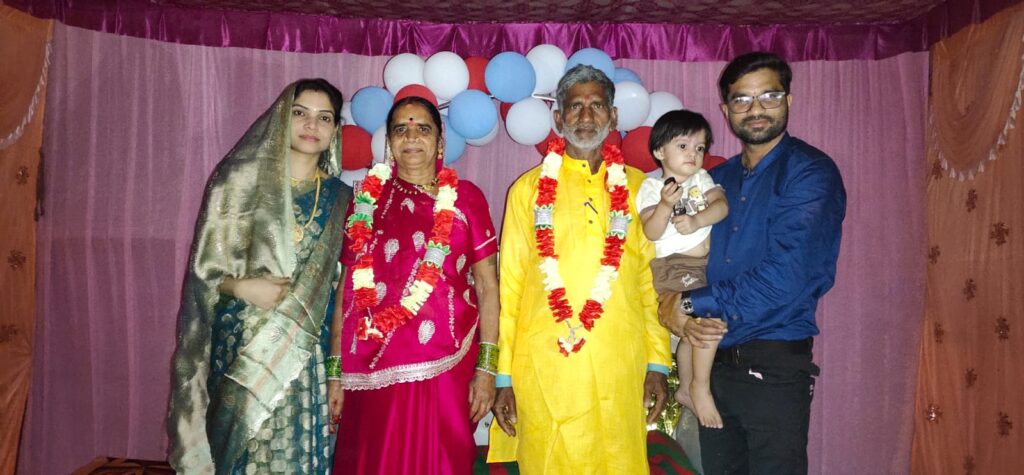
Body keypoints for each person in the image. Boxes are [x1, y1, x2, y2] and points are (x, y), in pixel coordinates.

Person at [659, 52, 847, 474]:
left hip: (772, 368)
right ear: (726, 110)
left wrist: (689, 303)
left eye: (769, 95)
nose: (756, 108)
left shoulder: (810, 173)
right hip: (712, 368)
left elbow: (786, 278)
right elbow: (683, 250)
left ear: (789, 101)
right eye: (742, 99)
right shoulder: (716, 180)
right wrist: (671, 301)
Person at [488, 64, 672, 473]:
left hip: (618, 363)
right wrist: (504, 378)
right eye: (574, 106)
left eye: (597, 105)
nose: (586, 116)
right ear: (558, 118)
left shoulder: (642, 190)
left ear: (614, 116)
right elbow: (510, 289)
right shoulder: (527, 190)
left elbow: (652, 282)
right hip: (546, 366)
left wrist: (658, 364)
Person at [167, 78, 353, 473]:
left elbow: (344, 288)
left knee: (299, 453)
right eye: (300, 113)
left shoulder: (342, 198)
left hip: (308, 351)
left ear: (335, 130)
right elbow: (202, 273)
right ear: (282, 117)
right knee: (244, 454)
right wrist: (240, 286)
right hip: (243, 348)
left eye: (324, 118)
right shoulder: (238, 181)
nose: (311, 125)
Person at [330, 96, 499, 475]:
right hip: (372, 368)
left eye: (423, 129)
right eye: (400, 130)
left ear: (440, 142)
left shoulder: (467, 199)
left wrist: (487, 369)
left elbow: (489, 287)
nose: (411, 137)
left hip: (446, 366)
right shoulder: (365, 204)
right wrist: (335, 373)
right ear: (389, 142)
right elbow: (347, 291)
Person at [637, 109, 729, 430]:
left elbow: (722, 206)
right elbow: (651, 232)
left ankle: (688, 389)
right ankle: (700, 388)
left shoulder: (701, 179)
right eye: (683, 146)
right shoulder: (652, 187)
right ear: (659, 151)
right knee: (710, 321)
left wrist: (697, 220)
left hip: (703, 266)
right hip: (675, 267)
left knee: (694, 330)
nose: (693, 154)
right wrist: (665, 205)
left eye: (700, 148)